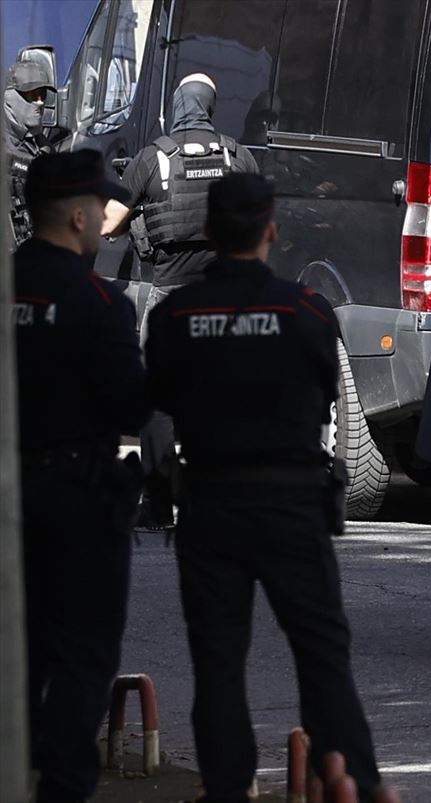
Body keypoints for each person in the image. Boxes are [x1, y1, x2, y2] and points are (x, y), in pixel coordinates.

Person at [144, 174, 386, 802]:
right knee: (323, 661)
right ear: (271, 231)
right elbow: (323, 389)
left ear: (208, 234)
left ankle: (228, 789)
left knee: (219, 666)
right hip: (292, 506)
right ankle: (355, 785)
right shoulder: (305, 310)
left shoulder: (175, 315)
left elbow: (158, 401)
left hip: (212, 506)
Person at [15, 150, 147, 803]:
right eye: (98, 205)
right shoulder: (98, 302)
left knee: (19, 643)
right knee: (81, 651)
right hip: (75, 500)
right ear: (75, 216)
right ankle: (62, 785)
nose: (105, 215)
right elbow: (130, 404)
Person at [102, 73, 260, 531]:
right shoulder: (238, 157)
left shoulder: (154, 157)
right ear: (210, 107)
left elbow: (109, 225)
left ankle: (158, 507)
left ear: (176, 105)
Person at [5, 57, 55, 247]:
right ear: (11, 97)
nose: (40, 102)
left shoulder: (43, 147)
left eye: (43, 95)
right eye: (32, 95)